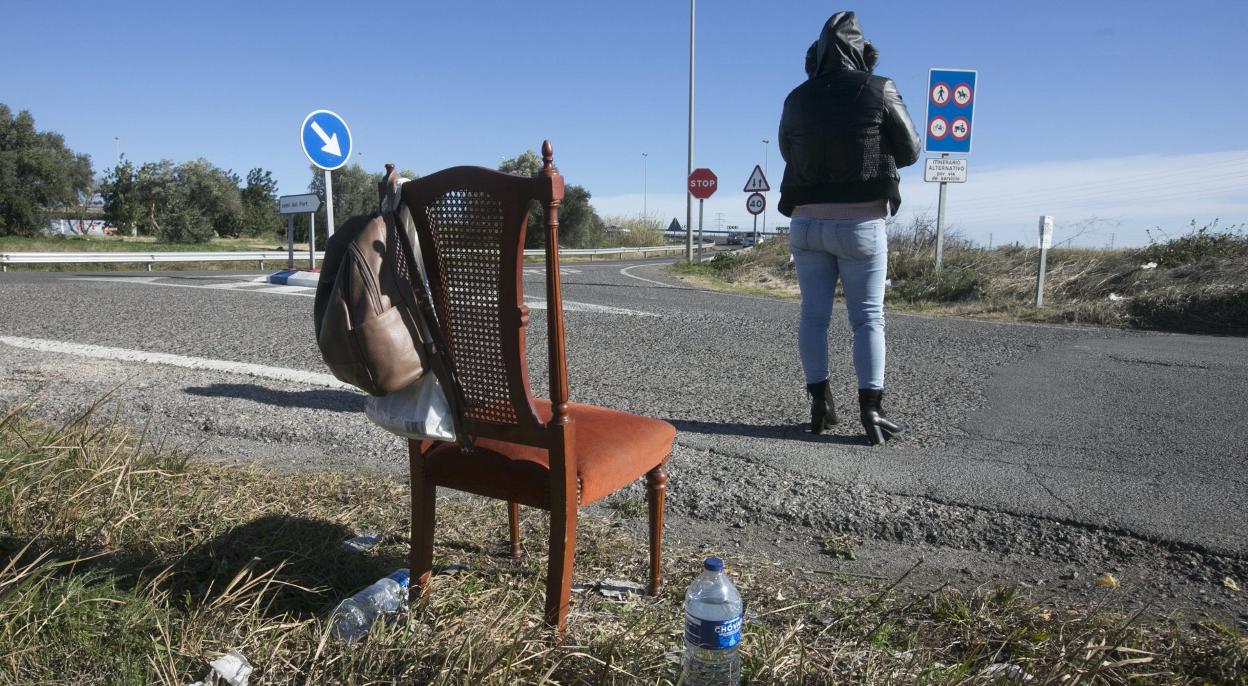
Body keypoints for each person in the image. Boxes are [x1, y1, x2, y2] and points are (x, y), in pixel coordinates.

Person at [777, 11, 920, 445]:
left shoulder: (796, 98)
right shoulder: (879, 89)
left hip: (805, 222)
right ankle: (871, 412)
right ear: (863, 55)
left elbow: (788, 151)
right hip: (860, 221)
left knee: (813, 317)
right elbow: (911, 150)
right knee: (868, 319)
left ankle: (819, 404)